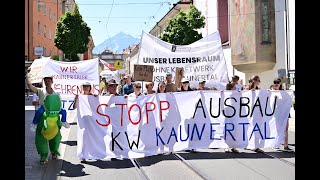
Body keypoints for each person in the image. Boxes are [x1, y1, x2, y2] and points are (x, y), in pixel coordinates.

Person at [270, 78, 293, 152]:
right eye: (275, 82)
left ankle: (286, 145)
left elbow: (288, 100)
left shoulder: (284, 92)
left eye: (278, 82)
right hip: (277, 113)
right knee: (278, 129)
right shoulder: (272, 92)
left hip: (285, 112)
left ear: (280, 83)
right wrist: (274, 90)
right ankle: (276, 144)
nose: (276, 83)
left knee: (285, 129)